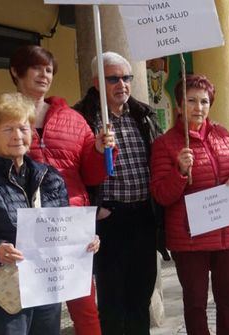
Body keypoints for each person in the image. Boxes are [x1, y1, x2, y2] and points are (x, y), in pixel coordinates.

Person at [8, 45, 114, 335]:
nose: (44, 75)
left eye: (49, 70)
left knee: (85, 307)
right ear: (16, 72)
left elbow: (92, 175)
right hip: (24, 225)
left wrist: (98, 150)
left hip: (69, 223)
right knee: (30, 312)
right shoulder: (4, 116)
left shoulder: (73, 119)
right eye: (37, 68)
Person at [150, 75, 229, 335]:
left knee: (228, 301)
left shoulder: (222, 134)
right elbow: (161, 194)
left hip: (226, 236)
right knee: (195, 304)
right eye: (191, 101)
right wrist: (180, 172)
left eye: (204, 101)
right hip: (189, 240)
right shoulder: (166, 144)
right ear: (180, 105)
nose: (199, 107)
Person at [0, 92, 99, 334]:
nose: (17, 136)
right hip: (5, 295)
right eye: (8, 128)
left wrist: (85, 241)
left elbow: (62, 229)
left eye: (23, 128)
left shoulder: (49, 176)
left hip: (46, 289)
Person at [74, 51, 162, 334]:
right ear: (97, 82)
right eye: (113, 78)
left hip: (143, 217)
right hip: (108, 219)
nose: (122, 84)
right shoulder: (83, 117)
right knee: (112, 299)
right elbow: (75, 169)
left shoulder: (143, 115)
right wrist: (93, 210)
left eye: (126, 77)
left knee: (141, 293)